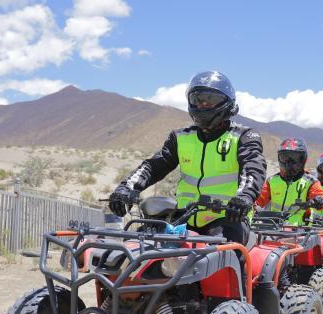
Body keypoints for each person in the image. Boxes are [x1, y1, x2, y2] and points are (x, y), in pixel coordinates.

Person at [108, 71, 266, 244]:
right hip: (184, 217)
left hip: (228, 218)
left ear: (227, 104)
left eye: (210, 100)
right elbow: (154, 166)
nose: (203, 105)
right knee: (141, 246)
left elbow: (253, 168)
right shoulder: (181, 137)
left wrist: (244, 197)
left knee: (222, 257)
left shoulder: (244, 136)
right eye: (198, 99)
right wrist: (126, 187)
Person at [255, 138, 323, 225]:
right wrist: (248, 203)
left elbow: (321, 198)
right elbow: (258, 200)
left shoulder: (311, 182)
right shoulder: (272, 181)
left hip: (299, 231)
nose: (288, 163)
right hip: (272, 228)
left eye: (294, 158)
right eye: (284, 158)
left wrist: (319, 201)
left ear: (303, 159)